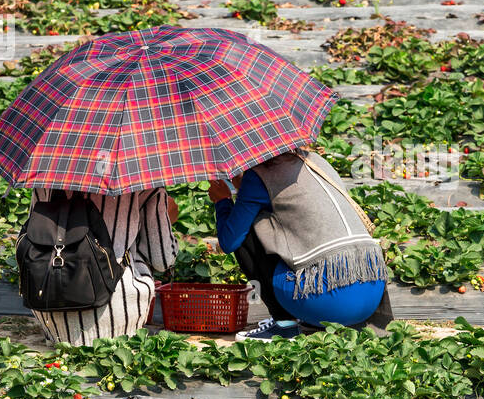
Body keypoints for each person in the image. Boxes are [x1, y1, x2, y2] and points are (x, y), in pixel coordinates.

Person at [211, 148, 387, 342]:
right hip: (370, 295)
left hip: (327, 304)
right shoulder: (317, 161)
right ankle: (314, 318)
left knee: (245, 228)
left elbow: (230, 241)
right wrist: (244, 187)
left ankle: (284, 324)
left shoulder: (260, 175)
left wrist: (223, 201)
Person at [28, 187, 179, 345]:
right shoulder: (143, 181)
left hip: (50, 310)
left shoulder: (45, 177)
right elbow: (162, 259)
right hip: (118, 314)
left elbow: (31, 240)